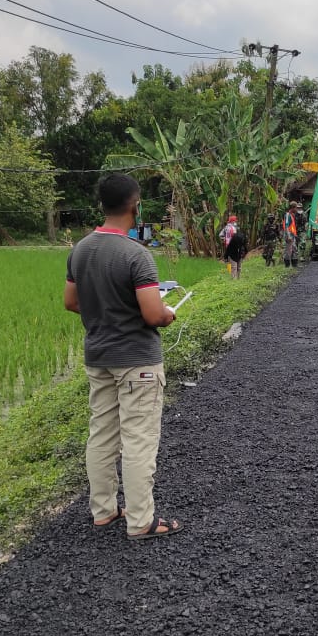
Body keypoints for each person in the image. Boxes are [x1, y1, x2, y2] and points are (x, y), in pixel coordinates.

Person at [63, 174, 182, 541]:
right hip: (137, 361)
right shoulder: (136, 255)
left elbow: (71, 302)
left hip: (98, 356)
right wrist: (168, 313)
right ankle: (141, 521)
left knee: (102, 434)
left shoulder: (80, 250)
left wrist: (105, 312)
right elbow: (152, 314)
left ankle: (103, 511)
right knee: (139, 439)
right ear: (135, 206)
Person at [282, 202, 300, 268]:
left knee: (294, 249)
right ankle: (287, 265)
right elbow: (286, 226)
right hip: (289, 235)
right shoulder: (287, 215)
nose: (297, 209)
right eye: (296, 208)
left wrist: (294, 235)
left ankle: (294, 265)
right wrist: (289, 236)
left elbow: (292, 227)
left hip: (292, 235)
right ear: (293, 208)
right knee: (288, 250)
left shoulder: (291, 215)